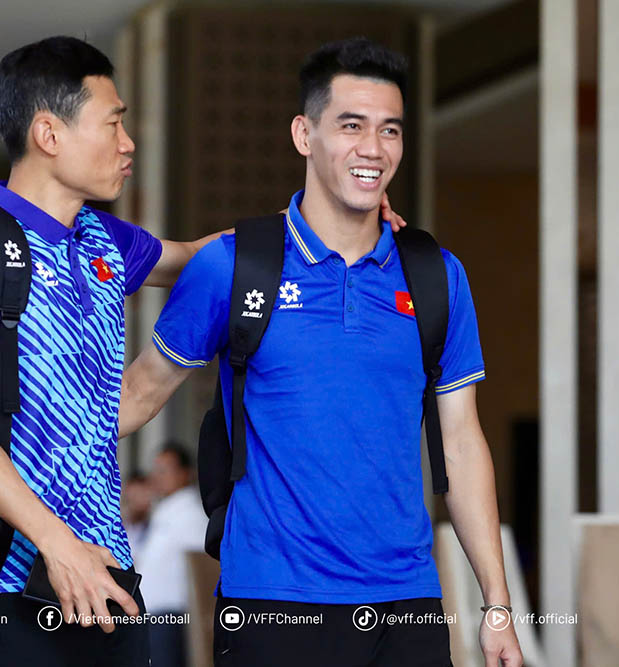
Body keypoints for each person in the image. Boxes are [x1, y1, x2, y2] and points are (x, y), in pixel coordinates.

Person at [0, 33, 406, 667]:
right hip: (3, 585)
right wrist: (54, 542)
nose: (128, 143)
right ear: (49, 133)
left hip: (108, 582)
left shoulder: (100, 240)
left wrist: (350, 213)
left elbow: (213, 256)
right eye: (113, 123)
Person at [118, 38, 524, 667]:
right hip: (272, 604)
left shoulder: (437, 276)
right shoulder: (235, 265)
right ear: (304, 135)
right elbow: (136, 398)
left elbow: (462, 444)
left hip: (406, 606)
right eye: (351, 126)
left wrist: (496, 602)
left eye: (390, 130)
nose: (373, 149)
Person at [135, 443, 206, 667]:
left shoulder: (192, 515)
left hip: (171, 619)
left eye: (164, 470)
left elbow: (203, 571)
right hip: (151, 618)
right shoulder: (164, 512)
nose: (157, 477)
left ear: (185, 473)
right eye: (155, 470)